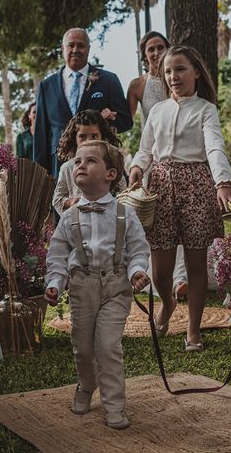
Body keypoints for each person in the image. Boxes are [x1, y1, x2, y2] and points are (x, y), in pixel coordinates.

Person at [129, 46, 231, 351]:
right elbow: (145, 149)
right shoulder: (157, 111)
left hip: (197, 187)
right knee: (161, 270)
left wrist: (223, 183)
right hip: (161, 187)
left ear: (196, 72)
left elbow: (215, 147)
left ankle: (193, 330)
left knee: (195, 265)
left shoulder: (207, 109)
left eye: (180, 69)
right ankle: (167, 302)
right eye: (168, 71)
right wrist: (138, 167)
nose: (173, 76)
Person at [44, 140, 150, 430]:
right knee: (82, 349)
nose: (80, 165)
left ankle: (114, 405)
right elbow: (58, 255)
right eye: (78, 161)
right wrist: (55, 282)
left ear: (110, 174)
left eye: (90, 161)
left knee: (107, 347)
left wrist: (136, 271)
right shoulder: (68, 217)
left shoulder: (125, 214)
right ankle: (86, 384)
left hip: (116, 286)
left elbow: (138, 250)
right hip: (81, 288)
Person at [126, 31, 188, 299]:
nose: (155, 52)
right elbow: (126, 122)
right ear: (144, 55)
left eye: (160, 47)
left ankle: (181, 278)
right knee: (154, 221)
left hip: (182, 159)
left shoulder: (177, 80)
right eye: (150, 49)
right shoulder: (138, 85)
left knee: (183, 218)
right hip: (150, 158)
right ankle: (150, 273)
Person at [34, 28, 133, 177]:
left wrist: (104, 122)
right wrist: (40, 175)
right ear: (63, 48)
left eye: (81, 45)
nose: (75, 50)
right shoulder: (46, 86)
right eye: (71, 45)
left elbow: (126, 121)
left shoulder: (108, 80)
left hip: (100, 166)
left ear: (88, 49)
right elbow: (41, 135)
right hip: (59, 167)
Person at [52, 109, 126, 216]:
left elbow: (123, 194)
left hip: (108, 222)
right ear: (74, 138)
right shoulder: (67, 168)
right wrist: (71, 202)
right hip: (77, 224)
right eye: (82, 136)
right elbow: (57, 198)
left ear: (102, 136)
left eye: (94, 136)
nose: (88, 141)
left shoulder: (111, 164)